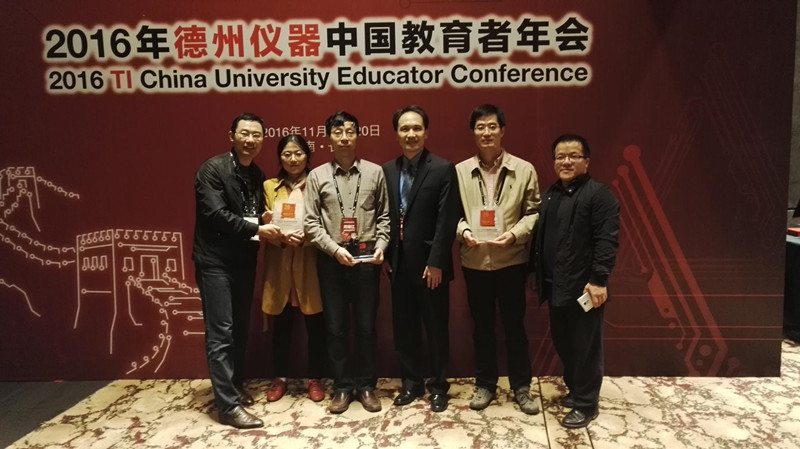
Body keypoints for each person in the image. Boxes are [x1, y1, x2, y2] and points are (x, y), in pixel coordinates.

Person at [192, 113, 281, 429]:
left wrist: (264, 219)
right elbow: (216, 215)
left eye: (257, 135)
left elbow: (249, 214)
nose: (250, 140)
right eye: (245, 133)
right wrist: (257, 227)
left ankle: (234, 387)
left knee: (239, 329)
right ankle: (227, 407)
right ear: (232, 136)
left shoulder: (256, 174)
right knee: (221, 333)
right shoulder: (212, 169)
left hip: (243, 261)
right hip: (215, 263)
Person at [455, 104, 541, 415]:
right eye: (480, 127)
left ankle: (521, 386)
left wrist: (516, 234)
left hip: (511, 261)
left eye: (492, 126)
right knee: (482, 327)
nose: (486, 132)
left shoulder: (524, 169)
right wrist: (463, 231)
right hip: (475, 261)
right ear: (473, 132)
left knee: (515, 326)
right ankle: (485, 384)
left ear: (502, 130)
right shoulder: (459, 171)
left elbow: (534, 212)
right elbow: (451, 214)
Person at [304, 111, 390, 414]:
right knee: (336, 327)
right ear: (329, 137)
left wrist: (382, 246)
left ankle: (366, 385)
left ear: (358, 135)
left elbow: (385, 217)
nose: (344, 137)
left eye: (350, 131)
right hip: (332, 261)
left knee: (366, 327)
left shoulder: (375, 172)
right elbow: (311, 223)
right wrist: (333, 250)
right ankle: (341, 386)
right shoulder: (317, 176)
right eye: (338, 132)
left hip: (367, 261)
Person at [531, 134, 620, 428]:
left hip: (585, 288)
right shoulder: (551, 193)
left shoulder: (599, 195)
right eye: (560, 156)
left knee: (586, 347)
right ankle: (576, 390)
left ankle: (586, 403)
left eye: (573, 156)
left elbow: (607, 241)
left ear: (586, 162)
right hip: (556, 285)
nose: (566, 161)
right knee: (564, 341)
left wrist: (599, 280)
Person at [382, 106, 460, 412]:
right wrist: (386, 255)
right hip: (398, 264)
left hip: (431, 267)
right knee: (404, 328)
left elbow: (447, 219)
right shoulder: (388, 170)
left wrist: (437, 261)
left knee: (436, 328)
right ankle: (411, 383)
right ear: (396, 134)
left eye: (416, 128)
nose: (411, 134)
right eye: (404, 129)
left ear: (426, 132)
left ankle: (438, 386)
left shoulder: (442, 168)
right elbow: (384, 217)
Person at [261, 134, 326, 403]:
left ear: (307, 156)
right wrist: (276, 232)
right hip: (280, 262)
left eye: (298, 153)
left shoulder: (318, 182)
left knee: (315, 324)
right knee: (282, 323)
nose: (293, 159)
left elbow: (326, 219)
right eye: (287, 154)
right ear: (280, 157)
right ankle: (280, 378)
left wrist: (305, 237)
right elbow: (263, 221)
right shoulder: (269, 186)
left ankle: (315, 378)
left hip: (310, 261)